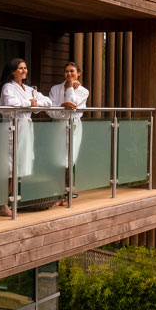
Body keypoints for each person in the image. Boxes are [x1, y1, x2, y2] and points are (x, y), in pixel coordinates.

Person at [0, 57, 50, 216]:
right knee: (9, 168)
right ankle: (2, 204)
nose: (24, 71)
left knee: (20, 167)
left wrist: (34, 103)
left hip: (26, 129)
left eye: (25, 68)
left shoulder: (29, 89)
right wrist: (30, 103)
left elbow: (47, 101)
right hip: (12, 128)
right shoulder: (8, 87)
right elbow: (11, 103)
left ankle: (12, 201)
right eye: (20, 68)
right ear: (12, 71)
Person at [47, 62, 90, 204]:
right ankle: (58, 193)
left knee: (69, 160)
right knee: (57, 160)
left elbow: (73, 105)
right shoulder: (55, 89)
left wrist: (70, 88)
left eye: (72, 71)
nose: (69, 74)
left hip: (74, 126)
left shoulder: (84, 91)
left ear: (79, 73)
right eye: (66, 71)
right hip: (57, 127)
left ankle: (68, 192)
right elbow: (51, 111)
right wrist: (62, 108)